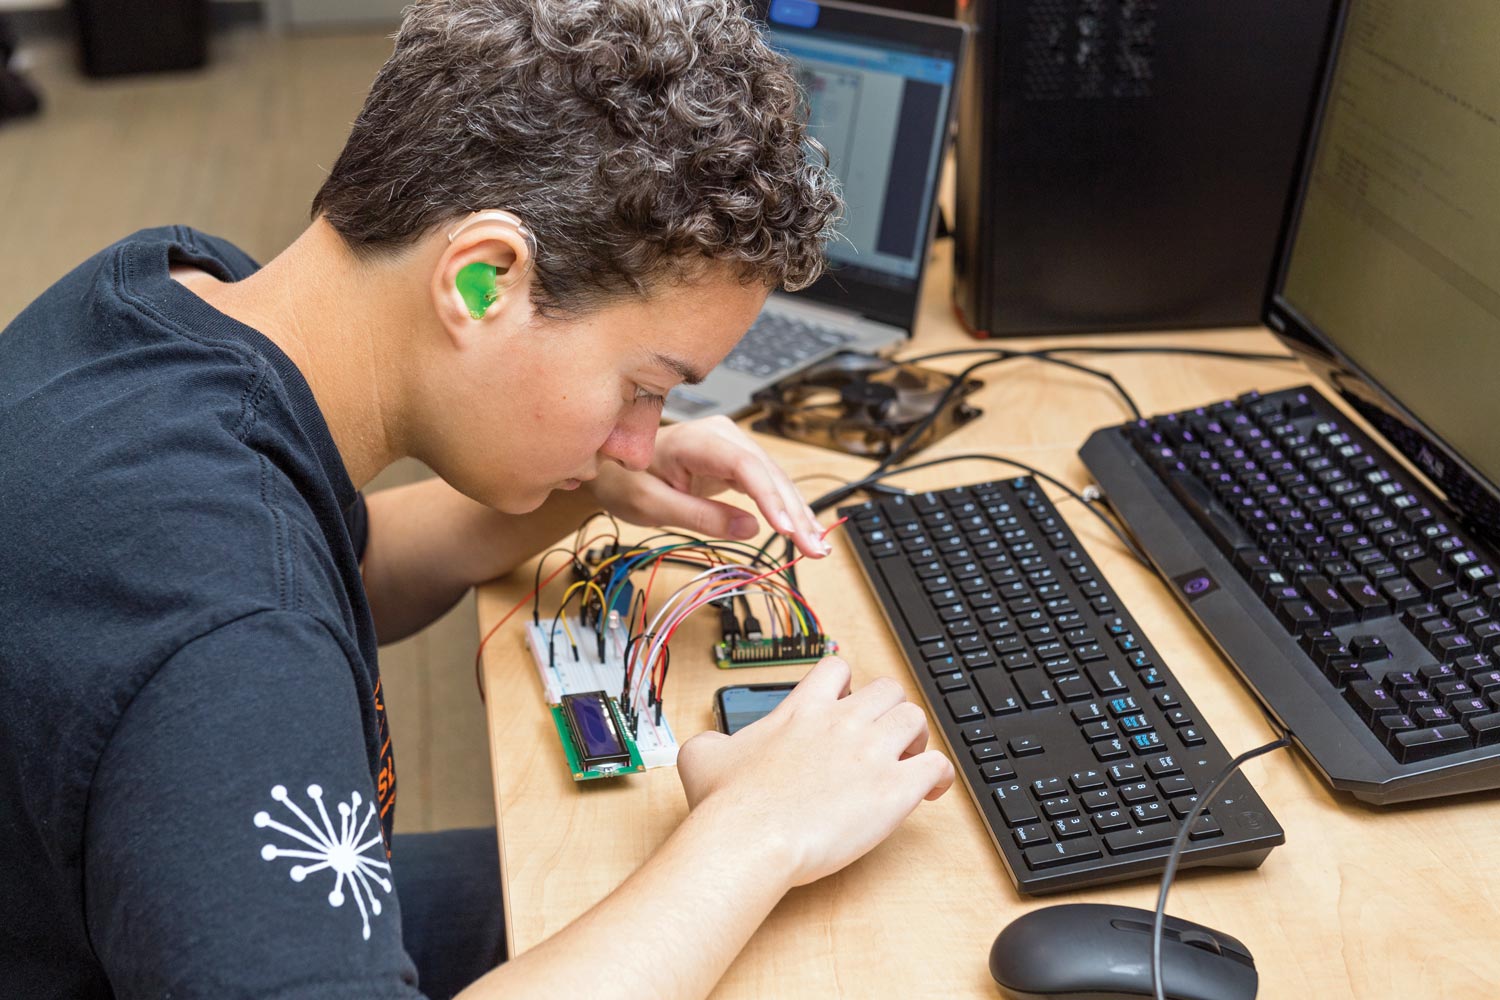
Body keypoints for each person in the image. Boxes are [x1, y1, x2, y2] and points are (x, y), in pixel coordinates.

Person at [0, 1, 955, 997]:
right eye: (645, 385)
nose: (641, 434)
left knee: (606, 885)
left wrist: (575, 490)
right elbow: (245, 624)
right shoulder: (230, 639)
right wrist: (756, 834)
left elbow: (333, 565)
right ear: (486, 280)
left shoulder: (173, 294)